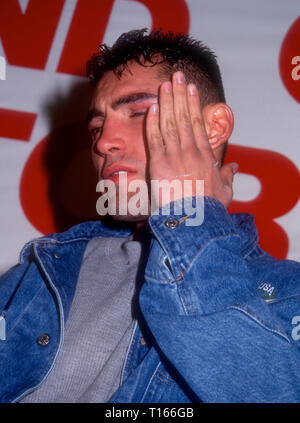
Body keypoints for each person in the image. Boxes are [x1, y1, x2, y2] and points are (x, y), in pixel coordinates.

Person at [0, 28, 300, 403]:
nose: (103, 142)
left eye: (137, 112)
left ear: (214, 127)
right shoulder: (41, 270)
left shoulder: (289, 292)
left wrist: (192, 215)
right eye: (96, 126)